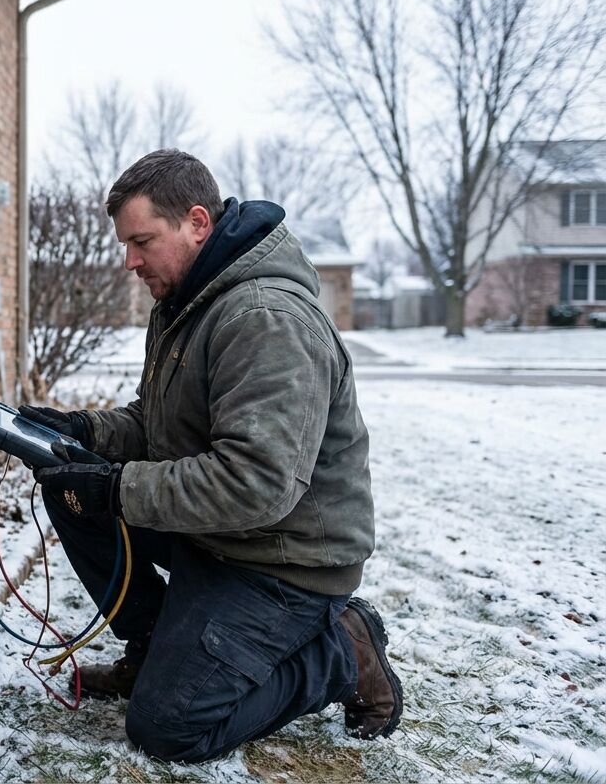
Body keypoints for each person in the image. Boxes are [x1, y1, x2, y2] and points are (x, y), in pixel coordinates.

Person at [20, 149, 402, 763]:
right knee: (69, 490)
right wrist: (82, 430)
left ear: (198, 222)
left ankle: (342, 649)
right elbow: (156, 424)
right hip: (221, 536)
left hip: (284, 562)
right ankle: (150, 651)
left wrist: (117, 488)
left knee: (170, 730)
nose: (129, 261)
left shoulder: (265, 319)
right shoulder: (187, 302)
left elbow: (255, 484)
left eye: (142, 241)